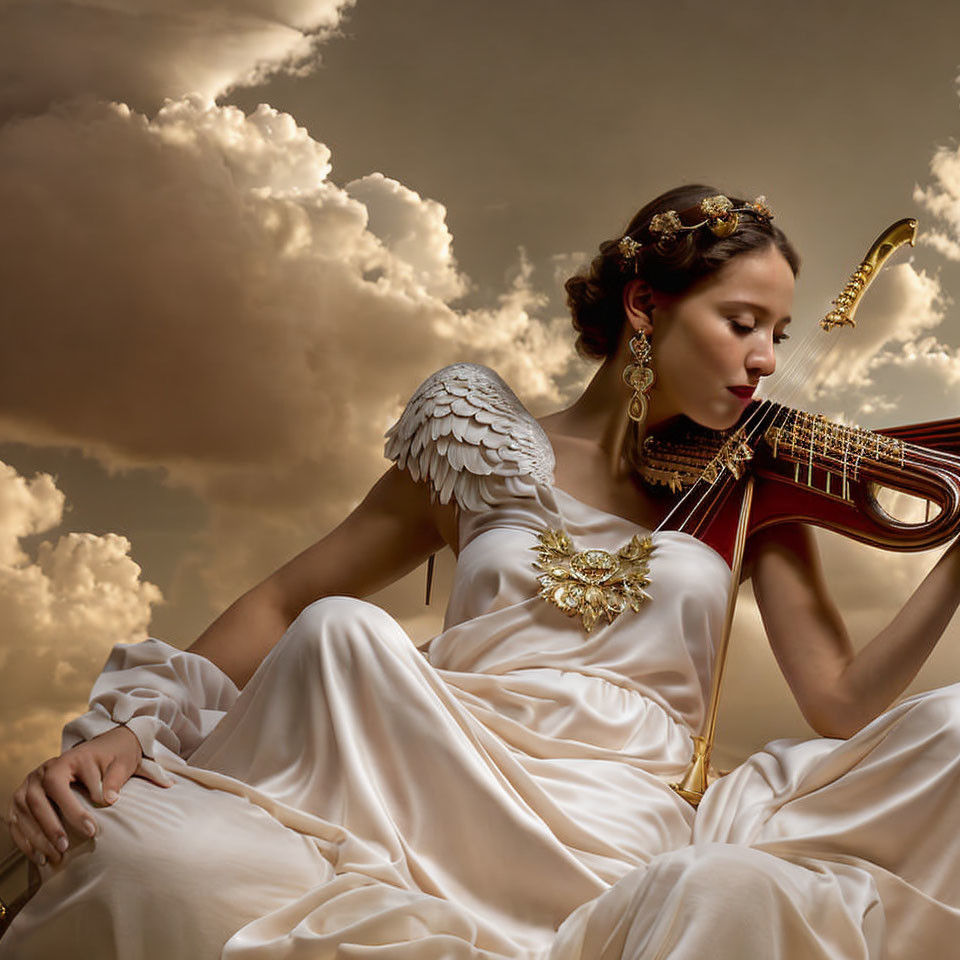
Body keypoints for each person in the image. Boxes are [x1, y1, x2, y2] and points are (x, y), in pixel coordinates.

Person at [4, 183, 960, 959]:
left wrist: (952, 572)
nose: (763, 363)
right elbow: (288, 596)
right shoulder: (479, 440)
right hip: (428, 767)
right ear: (644, 307)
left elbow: (839, 703)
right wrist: (138, 726)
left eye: (779, 336)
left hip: (615, 816)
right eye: (743, 322)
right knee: (338, 642)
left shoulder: (755, 490)